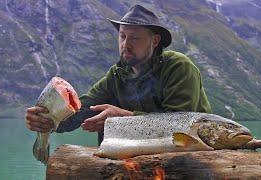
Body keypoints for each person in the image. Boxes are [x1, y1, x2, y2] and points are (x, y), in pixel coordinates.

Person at [25, 4, 212, 145]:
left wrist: (124, 118)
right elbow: (85, 109)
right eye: (122, 36)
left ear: (155, 41)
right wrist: (51, 121)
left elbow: (179, 124)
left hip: (191, 148)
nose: (126, 44)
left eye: (135, 38)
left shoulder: (178, 67)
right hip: (144, 156)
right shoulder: (117, 75)